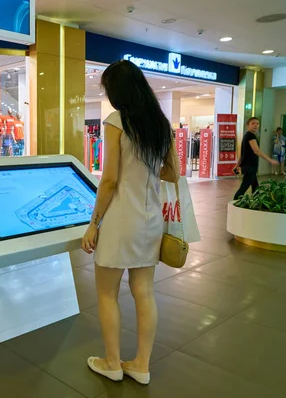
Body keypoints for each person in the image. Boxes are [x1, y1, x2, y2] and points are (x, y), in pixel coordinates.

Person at [81, 60, 179, 386]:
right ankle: (141, 364)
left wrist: (93, 223)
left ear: (117, 90)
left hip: (121, 220)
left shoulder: (116, 122)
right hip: (151, 222)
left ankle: (112, 361)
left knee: (107, 294)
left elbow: (109, 180)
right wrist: (147, 172)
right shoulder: (160, 125)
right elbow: (173, 173)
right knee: (144, 293)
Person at [233, 117, 278, 200]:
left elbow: (242, 154)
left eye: (257, 123)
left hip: (250, 166)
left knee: (255, 186)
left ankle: (257, 202)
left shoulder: (247, 135)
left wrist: (237, 165)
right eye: (253, 123)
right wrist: (270, 160)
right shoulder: (250, 136)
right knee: (244, 187)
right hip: (250, 166)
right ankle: (234, 204)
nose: (256, 125)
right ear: (247, 125)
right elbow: (256, 150)